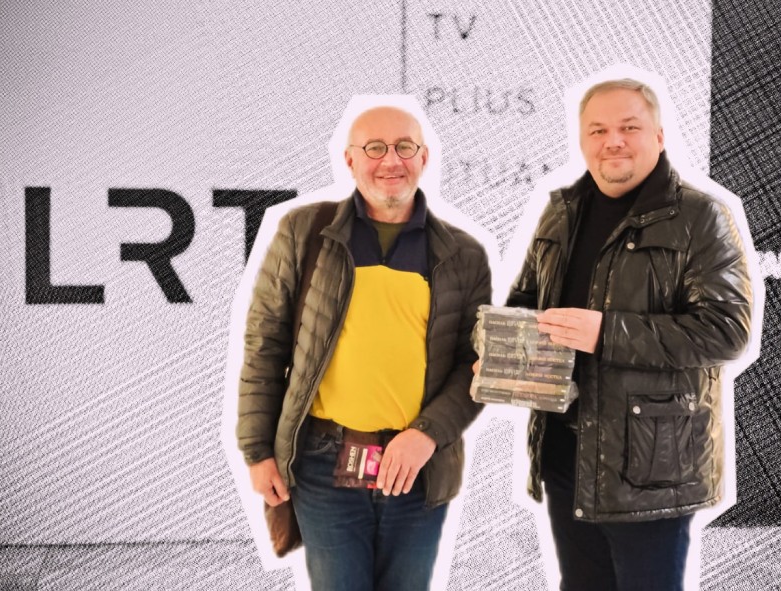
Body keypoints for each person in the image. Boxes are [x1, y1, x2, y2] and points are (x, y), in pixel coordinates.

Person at [504, 79, 753, 590]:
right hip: (565, 457)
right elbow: (526, 302)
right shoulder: (560, 212)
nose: (612, 141)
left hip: (651, 469)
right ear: (582, 139)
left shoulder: (700, 217)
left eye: (629, 127)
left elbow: (726, 330)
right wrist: (501, 347)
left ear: (659, 136)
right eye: (598, 130)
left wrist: (606, 333)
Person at [236, 105, 491, 591]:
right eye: (374, 148)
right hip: (323, 464)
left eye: (404, 147)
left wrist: (426, 435)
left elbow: (473, 367)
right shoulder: (304, 231)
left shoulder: (464, 254)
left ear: (424, 157)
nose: (390, 160)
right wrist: (256, 450)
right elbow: (264, 344)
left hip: (418, 470)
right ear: (350, 160)